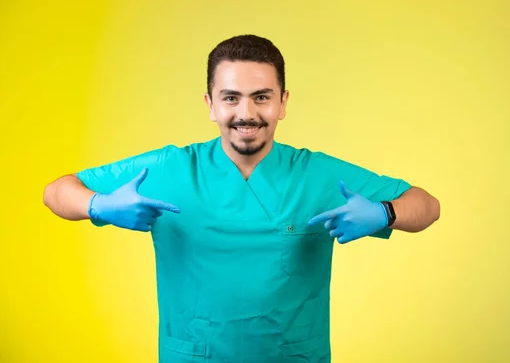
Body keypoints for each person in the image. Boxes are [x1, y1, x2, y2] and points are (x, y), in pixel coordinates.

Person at [43, 34, 440, 362]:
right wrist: (98, 205)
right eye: (231, 97)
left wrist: (386, 213)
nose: (246, 113)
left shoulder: (317, 175)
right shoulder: (170, 169)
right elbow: (57, 191)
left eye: (261, 97)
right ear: (210, 104)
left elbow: (426, 205)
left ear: (282, 103)